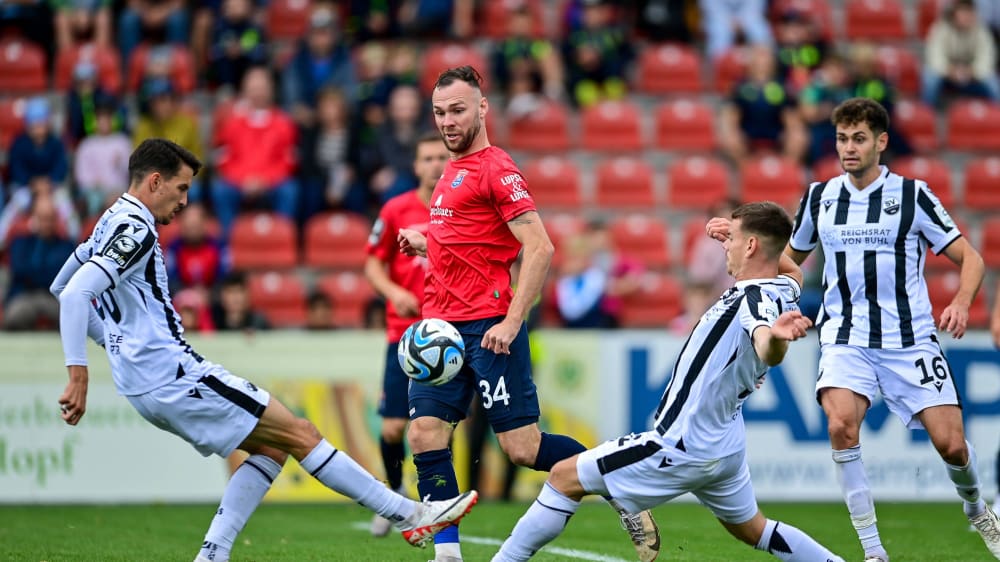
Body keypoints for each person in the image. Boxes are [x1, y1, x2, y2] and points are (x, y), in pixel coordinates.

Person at [49, 139, 478, 562]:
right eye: (181, 189)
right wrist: (79, 374)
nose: (184, 202)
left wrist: (117, 344)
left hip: (147, 378)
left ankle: (213, 555)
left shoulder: (107, 221)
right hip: (170, 371)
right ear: (155, 181)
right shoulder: (137, 227)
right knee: (302, 434)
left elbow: (61, 286)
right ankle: (408, 514)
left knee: (272, 448)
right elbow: (73, 298)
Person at [397, 65, 658, 562]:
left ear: (482, 108)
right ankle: (447, 556)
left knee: (522, 448)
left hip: (489, 327)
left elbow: (539, 248)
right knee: (424, 433)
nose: (447, 121)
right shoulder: (450, 171)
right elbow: (472, 246)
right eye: (439, 112)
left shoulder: (498, 168)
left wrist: (513, 321)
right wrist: (426, 245)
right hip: (440, 330)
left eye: (457, 110)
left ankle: (619, 485)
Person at [492, 201, 843, 562]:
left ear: (751, 246)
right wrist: (743, 235)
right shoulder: (783, 288)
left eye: (733, 239)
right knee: (755, 529)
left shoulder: (753, 299)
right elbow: (791, 272)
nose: (725, 245)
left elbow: (765, 343)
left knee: (564, 477)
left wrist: (777, 340)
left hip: (681, 443)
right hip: (724, 445)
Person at [782, 97, 1000, 561]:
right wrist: (780, 296)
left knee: (953, 446)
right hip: (844, 335)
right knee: (841, 424)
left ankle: (976, 507)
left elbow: (972, 259)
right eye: (842, 138)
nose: (849, 148)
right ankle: (874, 552)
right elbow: (789, 262)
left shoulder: (914, 195)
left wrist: (961, 303)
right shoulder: (819, 198)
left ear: (881, 142)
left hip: (910, 339)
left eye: (859, 138)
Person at [364, 131, 448, 537]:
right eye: (427, 158)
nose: (435, 165)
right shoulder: (396, 209)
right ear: (415, 166)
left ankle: (438, 502)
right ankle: (395, 494)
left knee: (437, 425)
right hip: (405, 335)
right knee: (393, 428)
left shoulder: (460, 210)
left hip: (449, 331)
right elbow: (372, 264)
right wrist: (394, 292)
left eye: (441, 157)